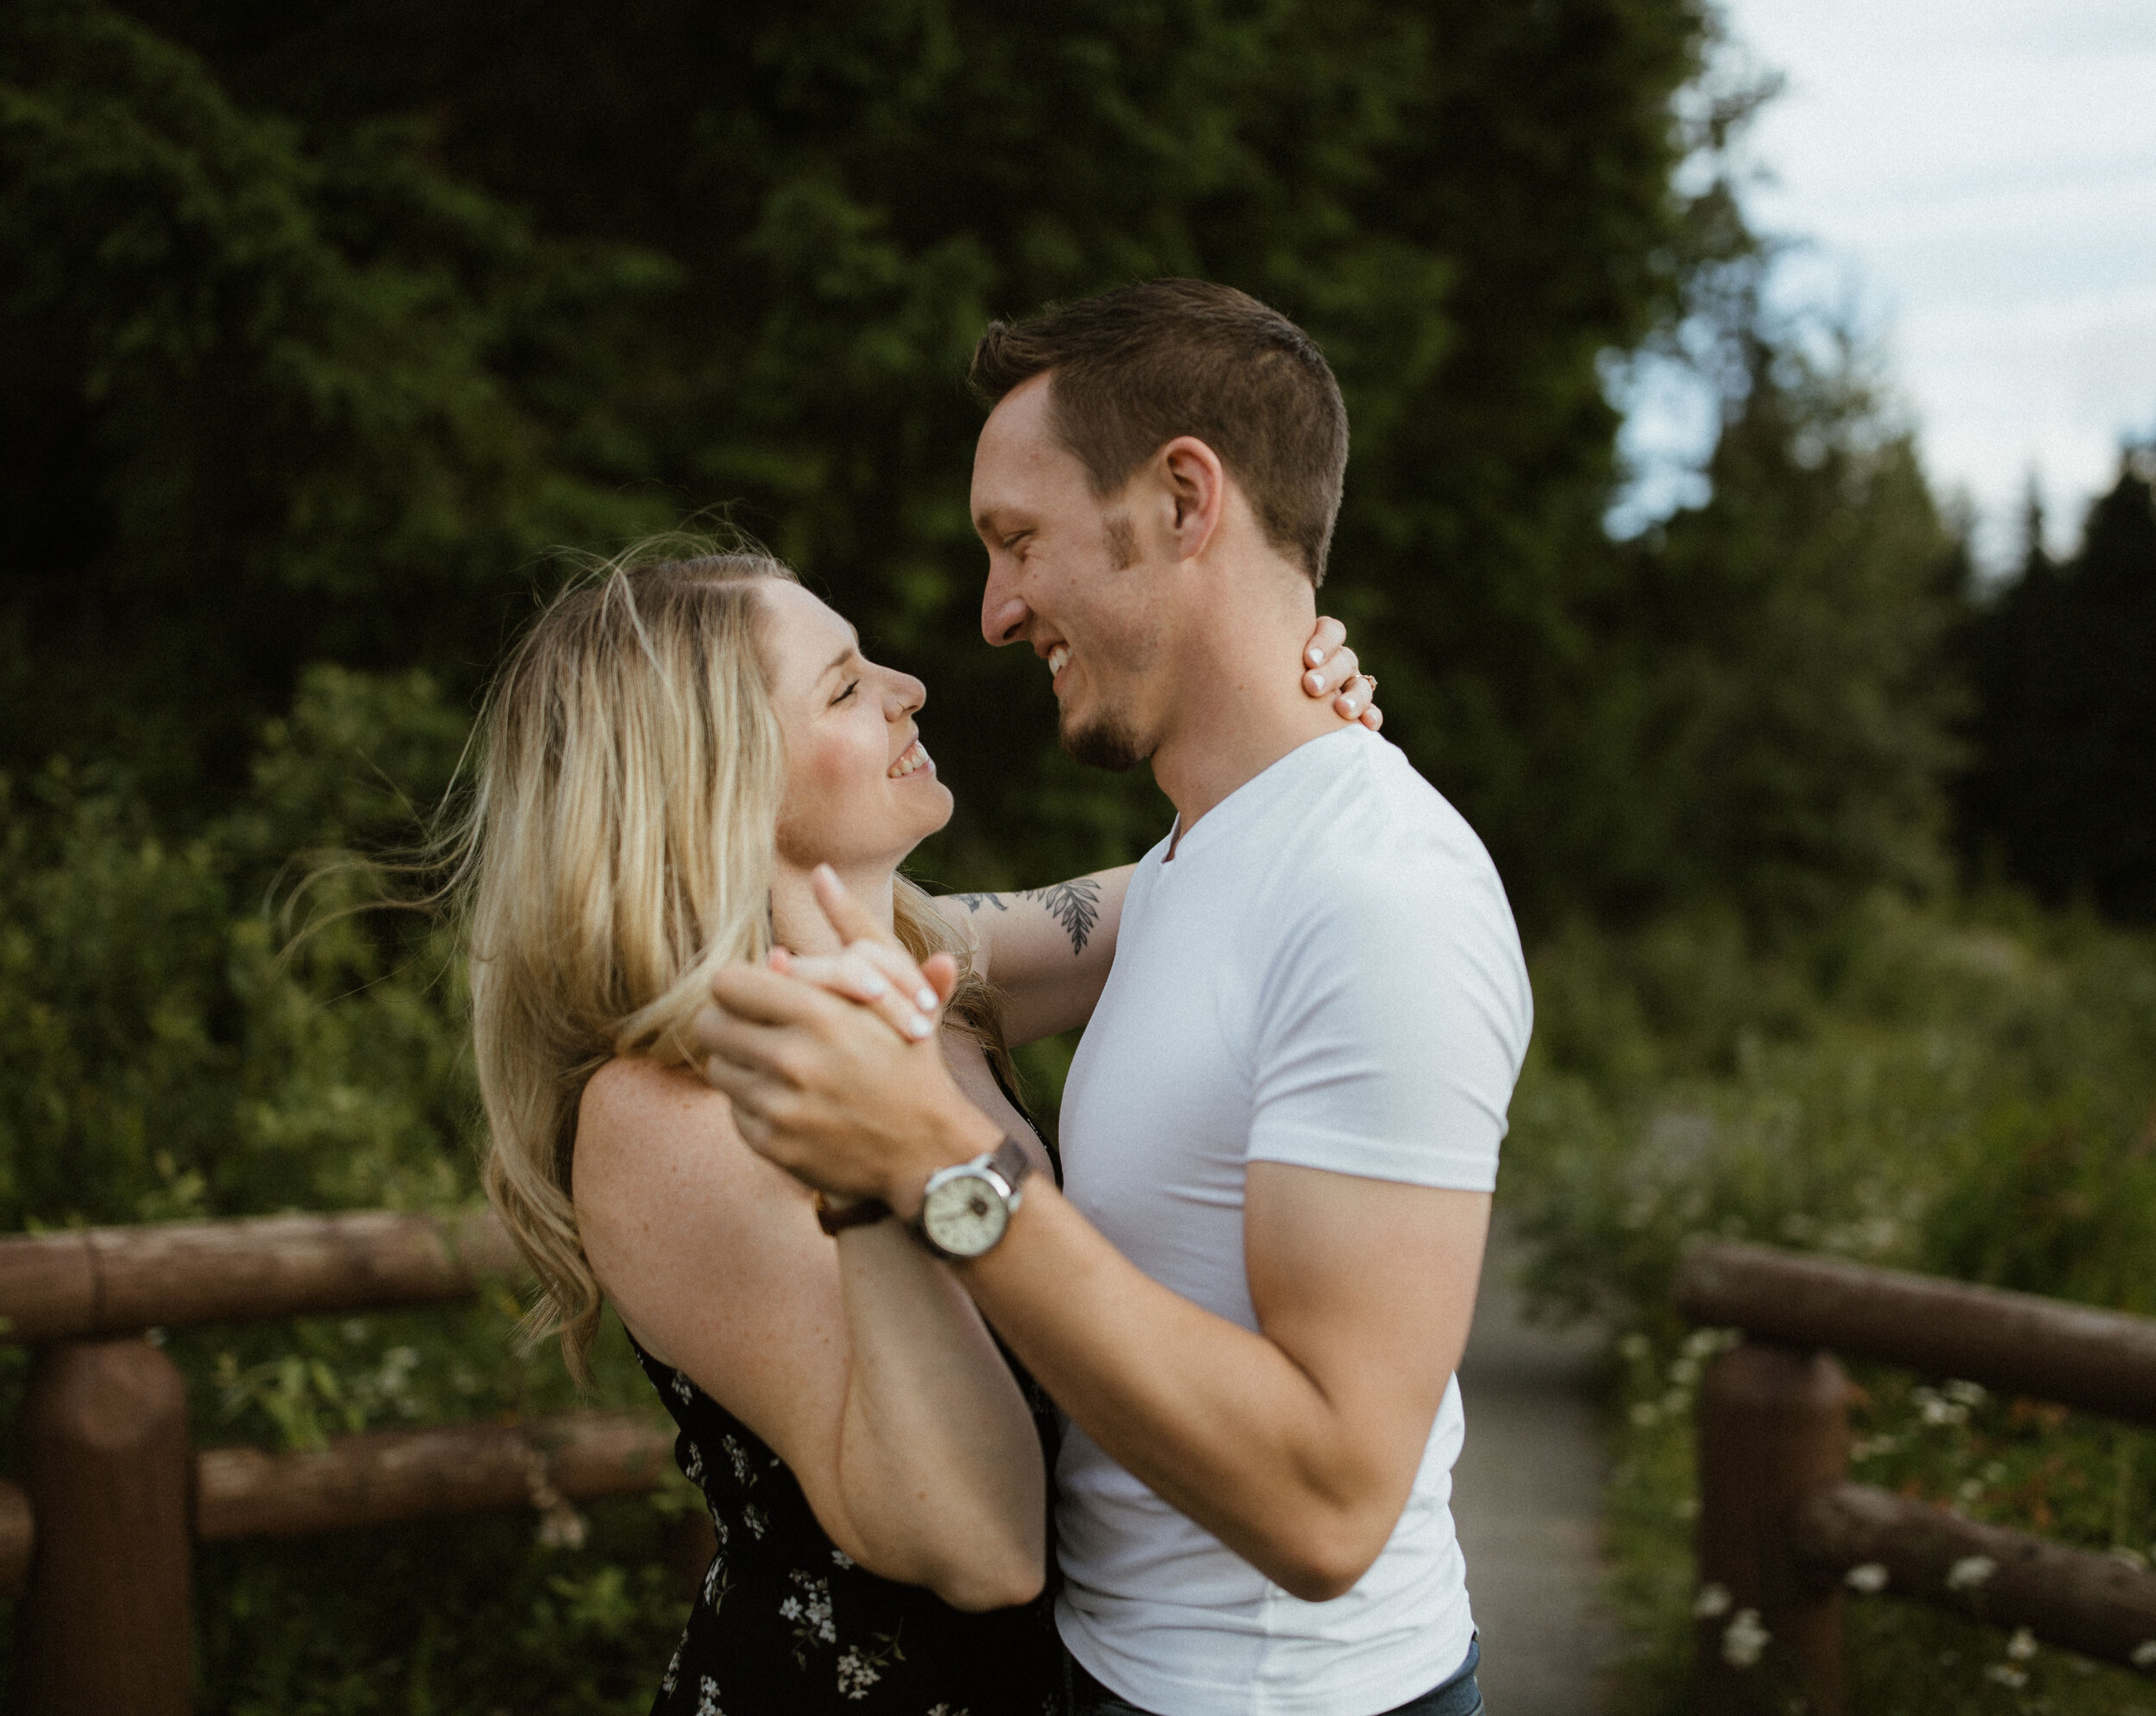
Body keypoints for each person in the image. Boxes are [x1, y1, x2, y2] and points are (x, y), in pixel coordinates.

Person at [696, 279, 1533, 1716]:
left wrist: (938, 1166)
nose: (995, 610)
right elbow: (878, 950)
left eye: (1019, 541)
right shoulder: (1197, 861)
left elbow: (1330, 1512)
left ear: (1185, 500)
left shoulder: (1382, 896)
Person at [463, 539, 1382, 1713]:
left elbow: (1215, 878)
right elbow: (979, 1546)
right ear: (715, 784)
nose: (910, 688)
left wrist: (1302, 734)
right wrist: (871, 1168)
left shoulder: (926, 959)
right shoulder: (667, 1112)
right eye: (844, 687)